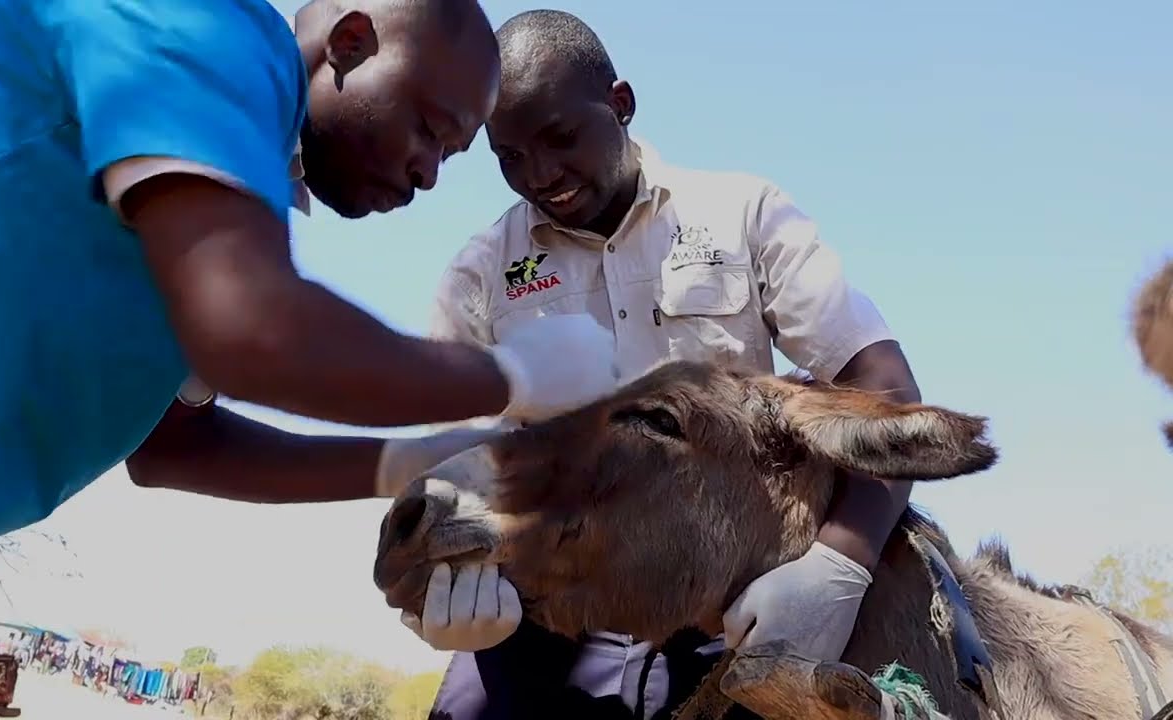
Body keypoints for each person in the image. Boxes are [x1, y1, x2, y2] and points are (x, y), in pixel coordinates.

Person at [0, 0, 621, 568]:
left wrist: (416, 462)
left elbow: (174, 447)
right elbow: (250, 329)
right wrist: (513, 376)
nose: (429, 172)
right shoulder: (205, 31)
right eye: (431, 129)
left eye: (452, 156)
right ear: (352, 42)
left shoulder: (208, 202)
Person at [385, 9, 925, 718]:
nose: (540, 175)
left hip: (732, 606)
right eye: (509, 156)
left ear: (621, 104)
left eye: (560, 138)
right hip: (553, 611)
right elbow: (452, 457)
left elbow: (885, 392)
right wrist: (436, 589)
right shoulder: (482, 272)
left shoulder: (745, 215)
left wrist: (838, 566)